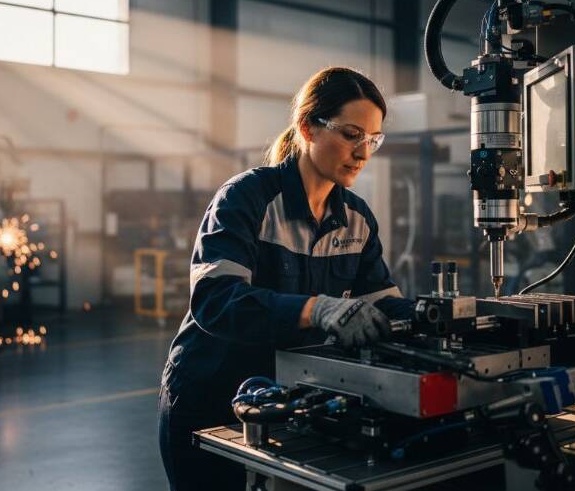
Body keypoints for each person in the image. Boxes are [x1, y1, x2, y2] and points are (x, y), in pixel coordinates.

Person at [158, 66, 405, 491]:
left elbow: (381, 304)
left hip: (287, 404)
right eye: (351, 135)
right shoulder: (247, 199)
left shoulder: (357, 219)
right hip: (210, 401)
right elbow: (216, 300)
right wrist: (319, 308)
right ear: (308, 127)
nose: (363, 152)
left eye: (373, 140)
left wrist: (452, 313)